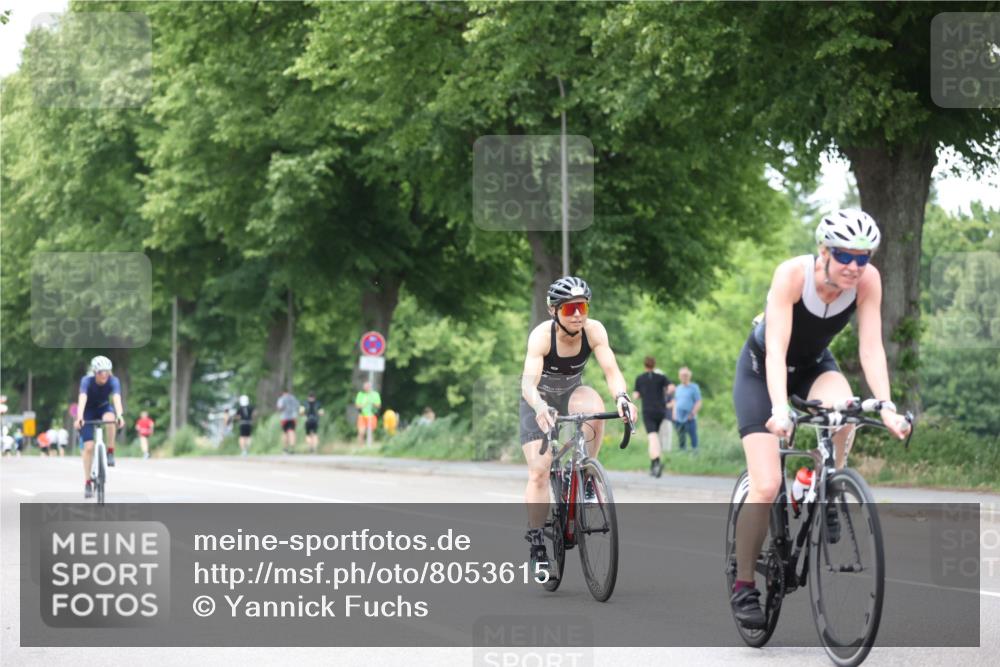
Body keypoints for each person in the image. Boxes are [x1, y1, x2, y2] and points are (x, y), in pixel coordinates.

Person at [729, 209, 911, 629]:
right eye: (846, 256)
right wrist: (779, 408)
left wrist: (885, 405)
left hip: (813, 365)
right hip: (762, 370)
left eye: (863, 258)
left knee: (845, 412)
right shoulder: (793, 276)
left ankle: (822, 483)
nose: (854, 266)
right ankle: (743, 585)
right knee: (767, 484)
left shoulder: (867, 282)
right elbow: (775, 350)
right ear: (823, 251)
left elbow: (871, 349)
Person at [520, 276, 637, 583]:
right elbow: (528, 384)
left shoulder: (594, 330)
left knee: (595, 409)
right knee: (540, 471)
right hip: (539, 399)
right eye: (570, 308)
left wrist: (622, 398)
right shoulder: (542, 337)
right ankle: (536, 544)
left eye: (582, 306)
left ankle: (585, 473)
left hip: (573, 392)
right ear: (553, 310)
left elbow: (611, 370)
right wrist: (539, 407)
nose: (577, 314)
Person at [74, 355, 125, 498]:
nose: (104, 375)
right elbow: (82, 398)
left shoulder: (114, 381)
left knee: (111, 418)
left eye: (107, 371)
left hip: (103, 408)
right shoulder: (86, 381)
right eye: (101, 372)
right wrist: (79, 417)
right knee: (89, 447)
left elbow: (116, 398)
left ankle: (110, 451)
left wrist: (120, 415)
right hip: (87, 412)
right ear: (95, 372)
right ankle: (87, 482)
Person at [632, 357, 675, 478]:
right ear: (654, 365)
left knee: (652, 437)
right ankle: (654, 465)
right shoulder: (661, 377)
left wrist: (642, 394)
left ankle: (656, 462)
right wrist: (664, 393)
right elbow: (672, 387)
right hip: (661, 410)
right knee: (656, 437)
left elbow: (635, 395)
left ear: (644, 365)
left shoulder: (640, 378)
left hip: (648, 411)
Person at [673, 366, 702, 452]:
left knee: (693, 437)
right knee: (681, 438)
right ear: (679, 376)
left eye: (685, 375)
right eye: (682, 375)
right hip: (679, 418)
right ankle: (682, 454)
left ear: (689, 376)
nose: (684, 377)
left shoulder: (694, 387)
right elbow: (676, 401)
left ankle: (695, 453)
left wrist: (692, 413)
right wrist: (674, 414)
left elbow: (698, 402)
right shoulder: (678, 388)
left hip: (690, 417)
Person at [276, 390, 300, 454]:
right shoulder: (293, 398)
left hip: (284, 418)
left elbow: (280, 408)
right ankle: (292, 448)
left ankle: (285, 448)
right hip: (293, 417)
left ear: (283, 393)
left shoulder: (281, 399)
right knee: (292, 432)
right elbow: (298, 406)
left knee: (285, 433)